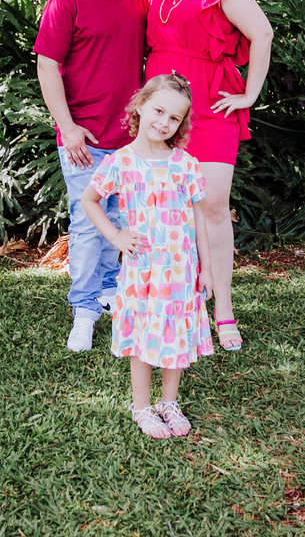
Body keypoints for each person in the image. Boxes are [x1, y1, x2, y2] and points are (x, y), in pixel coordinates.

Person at [143, 0, 273, 352]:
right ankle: (184, 300)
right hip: (164, 108)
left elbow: (262, 33)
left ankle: (224, 310)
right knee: (171, 209)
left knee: (213, 205)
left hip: (211, 104)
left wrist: (249, 94)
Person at [34, 0, 149, 353]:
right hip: (84, 139)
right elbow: (47, 66)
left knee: (118, 222)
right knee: (87, 225)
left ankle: (108, 291)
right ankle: (83, 312)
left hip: (130, 142)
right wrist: (67, 127)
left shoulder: (138, 6)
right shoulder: (67, 2)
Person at [82, 73, 213, 438]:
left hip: (182, 270)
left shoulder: (186, 164)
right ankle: (141, 405)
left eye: (174, 118)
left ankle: (169, 402)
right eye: (159, 110)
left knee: (177, 334)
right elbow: (89, 200)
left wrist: (206, 268)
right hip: (143, 270)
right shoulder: (121, 162)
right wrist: (115, 235)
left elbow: (199, 220)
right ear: (140, 105)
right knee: (143, 335)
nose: (164, 122)